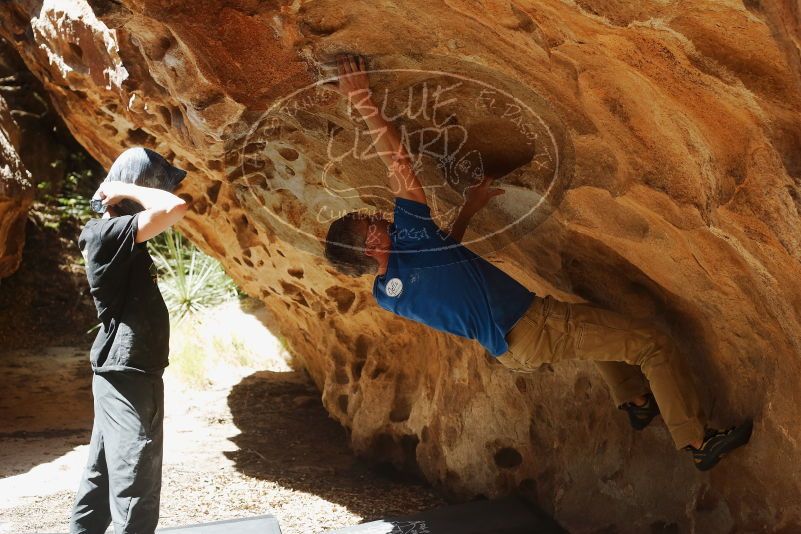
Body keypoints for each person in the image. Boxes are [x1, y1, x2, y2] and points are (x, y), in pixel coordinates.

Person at [324, 55, 752, 471]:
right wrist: (361, 99)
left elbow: (445, 263)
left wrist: (469, 210)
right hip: (535, 326)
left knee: (591, 325)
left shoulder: (387, 293)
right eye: (370, 223)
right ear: (369, 249)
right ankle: (697, 441)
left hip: (515, 347)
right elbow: (398, 163)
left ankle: (635, 402)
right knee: (651, 344)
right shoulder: (411, 243)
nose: (379, 216)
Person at [70, 147, 188, 534]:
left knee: (101, 478)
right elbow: (175, 207)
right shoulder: (107, 234)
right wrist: (120, 188)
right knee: (136, 483)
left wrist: (122, 193)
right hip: (130, 375)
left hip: (121, 372)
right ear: (139, 190)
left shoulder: (115, 236)